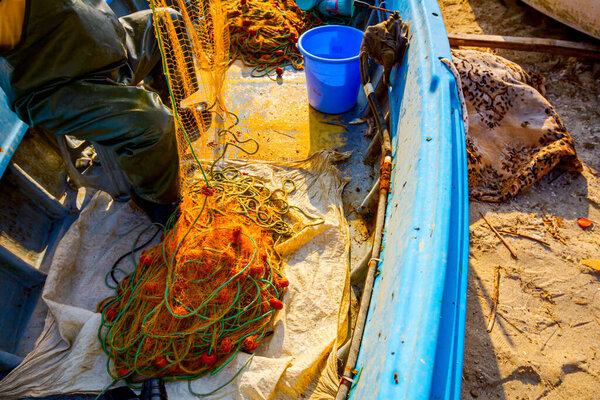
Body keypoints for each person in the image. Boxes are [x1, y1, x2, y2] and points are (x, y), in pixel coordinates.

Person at [0, 0, 183, 221]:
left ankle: (177, 116)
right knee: (154, 124)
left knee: (169, 21)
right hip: (57, 84)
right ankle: (158, 202)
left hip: (105, 44)